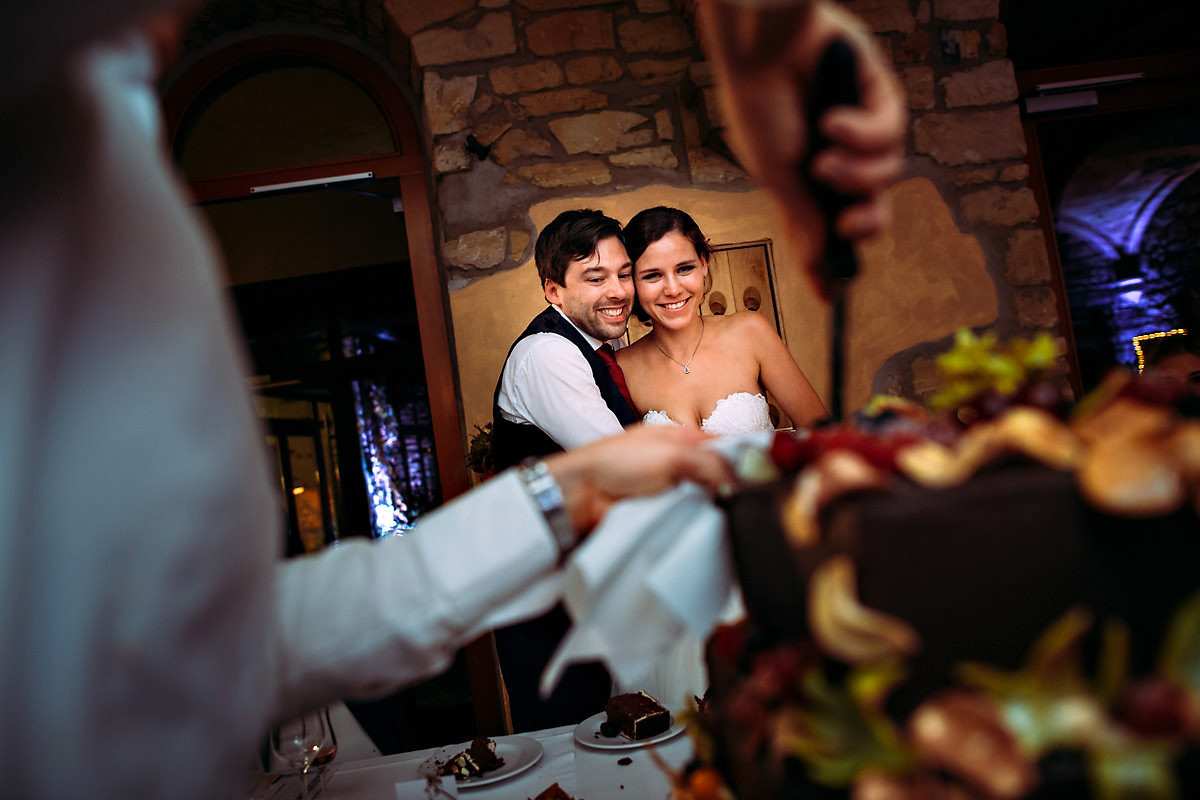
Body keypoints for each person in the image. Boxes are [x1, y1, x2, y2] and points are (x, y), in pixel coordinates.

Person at [0, 1, 905, 798]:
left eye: (641, 274)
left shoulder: (691, 344)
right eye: (612, 276)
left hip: (713, 563)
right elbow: (162, 664)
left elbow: (209, 641)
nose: (633, 291)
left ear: (705, 272)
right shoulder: (579, 364)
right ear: (555, 290)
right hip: (583, 594)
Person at [491, 209, 641, 731]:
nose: (618, 290)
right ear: (554, 291)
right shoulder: (547, 354)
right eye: (595, 278)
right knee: (570, 747)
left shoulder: (599, 352)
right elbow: (627, 465)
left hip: (586, 589)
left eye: (623, 273)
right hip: (546, 604)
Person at [618, 207, 827, 434]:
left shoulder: (749, 332)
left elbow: (821, 432)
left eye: (685, 268)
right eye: (653, 276)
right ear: (632, 282)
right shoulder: (624, 368)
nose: (673, 289)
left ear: (704, 264)